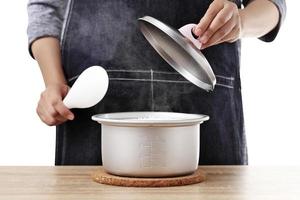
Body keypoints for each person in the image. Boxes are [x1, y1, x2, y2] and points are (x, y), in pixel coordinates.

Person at [27, 0, 286, 165]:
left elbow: (273, 5)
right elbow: (47, 7)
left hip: (202, 93)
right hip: (94, 103)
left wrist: (240, 23)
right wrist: (54, 83)